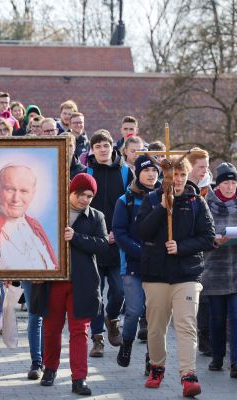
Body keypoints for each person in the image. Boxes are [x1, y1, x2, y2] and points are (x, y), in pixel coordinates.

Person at [136, 157, 215, 397]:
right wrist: (162, 207)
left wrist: (181, 246)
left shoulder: (196, 202)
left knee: (186, 325)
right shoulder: (151, 200)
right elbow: (141, 231)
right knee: (156, 328)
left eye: (182, 175)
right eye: (172, 176)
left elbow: (208, 237)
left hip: (187, 275)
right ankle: (157, 366)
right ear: (165, 178)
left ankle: (188, 374)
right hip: (156, 275)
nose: (177, 180)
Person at [31, 173, 108, 396]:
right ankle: (50, 369)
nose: (86, 200)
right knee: (52, 328)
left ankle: (79, 378)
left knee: (79, 331)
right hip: (54, 281)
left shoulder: (96, 217)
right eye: (82, 194)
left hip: (82, 283)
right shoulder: (54, 212)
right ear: (71, 191)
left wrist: (76, 237)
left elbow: (103, 245)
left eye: (90, 196)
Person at [202, 162, 237, 378]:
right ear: (218, 183)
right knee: (217, 318)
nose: (230, 187)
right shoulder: (205, 204)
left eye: (234, 182)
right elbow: (200, 236)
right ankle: (217, 357)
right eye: (226, 182)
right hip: (214, 271)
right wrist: (216, 240)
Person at [85, 130, 134, 356]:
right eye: (98, 146)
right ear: (92, 150)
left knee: (118, 291)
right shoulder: (87, 172)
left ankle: (112, 319)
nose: (102, 150)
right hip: (94, 243)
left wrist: (118, 232)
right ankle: (97, 339)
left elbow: (132, 206)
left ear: (112, 147)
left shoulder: (125, 172)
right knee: (94, 293)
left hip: (118, 243)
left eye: (105, 145)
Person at [112, 155, 161, 370]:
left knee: (154, 313)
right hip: (132, 265)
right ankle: (127, 343)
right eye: (146, 170)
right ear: (138, 173)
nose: (151, 174)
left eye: (154, 170)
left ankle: (152, 357)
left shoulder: (164, 197)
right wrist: (141, 253)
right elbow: (120, 233)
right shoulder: (126, 200)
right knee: (134, 310)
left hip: (159, 266)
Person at [0, 164, 57, 270]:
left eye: (24, 191)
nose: (16, 199)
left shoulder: (34, 226)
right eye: (9, 189)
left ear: (33, 193)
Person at [186, 147, 212, 356]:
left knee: (204, 296)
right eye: (201, 166)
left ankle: (205, 337)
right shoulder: (183, 187)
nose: (205, 171)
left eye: (207, 166)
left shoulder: (208, 189)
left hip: (206, 248)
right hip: (187, 249)